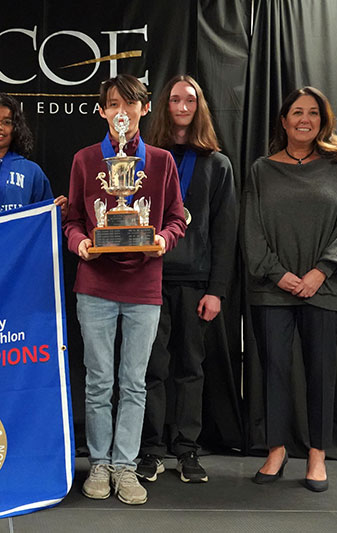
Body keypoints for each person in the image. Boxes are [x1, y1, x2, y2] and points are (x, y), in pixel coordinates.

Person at [63, 74, 186, 504]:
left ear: (145, 108)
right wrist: (80, 244)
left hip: (144, 286)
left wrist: (163, 241)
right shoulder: (84, 160)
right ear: (101, 111)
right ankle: (99, 462)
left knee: (134, 382)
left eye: (130, 103)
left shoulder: (162, 161)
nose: (122, 111)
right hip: (95, 284)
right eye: (113, 103)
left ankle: (125, 466)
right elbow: (73, 219)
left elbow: (175, 217)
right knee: (99, 382)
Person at [243, 87, 337, 493]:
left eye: (313, 112)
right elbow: (252, 231)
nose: (304, 119)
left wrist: (320, 272)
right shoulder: (261, 169)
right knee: (274, 370)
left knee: (321, 372)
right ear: (284, 120)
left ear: (322, 120)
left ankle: (316, 456)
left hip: (325, 289)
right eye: (297, 112)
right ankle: (276, 450)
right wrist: (278, 274)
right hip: (272, 288)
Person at [137, 75, 237, 483]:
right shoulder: (146, 158)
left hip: (196, 282)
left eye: (190, 100)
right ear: (164, 106)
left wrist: (217, 291)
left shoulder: (217, 163)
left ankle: (187, 449)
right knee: (151, 368)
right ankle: (151, 449)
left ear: (199, 108)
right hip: (149, 279)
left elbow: (225, 233)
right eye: (175, 99)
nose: (182, 106)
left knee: (191, 369)